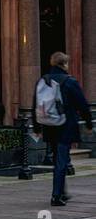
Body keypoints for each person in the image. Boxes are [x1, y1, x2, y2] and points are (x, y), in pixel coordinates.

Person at [36, 51, 92, 207]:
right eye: (67, 63)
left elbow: (37, 103)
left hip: (49, 125)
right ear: (64, 64)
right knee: (61, 161)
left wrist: (36, 126)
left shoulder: (43, 80)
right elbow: (83, 104)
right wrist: (89, 124)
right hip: (64, 126)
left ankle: (62, 192)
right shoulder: (69, 81)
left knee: (59, 160)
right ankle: (56, 196)